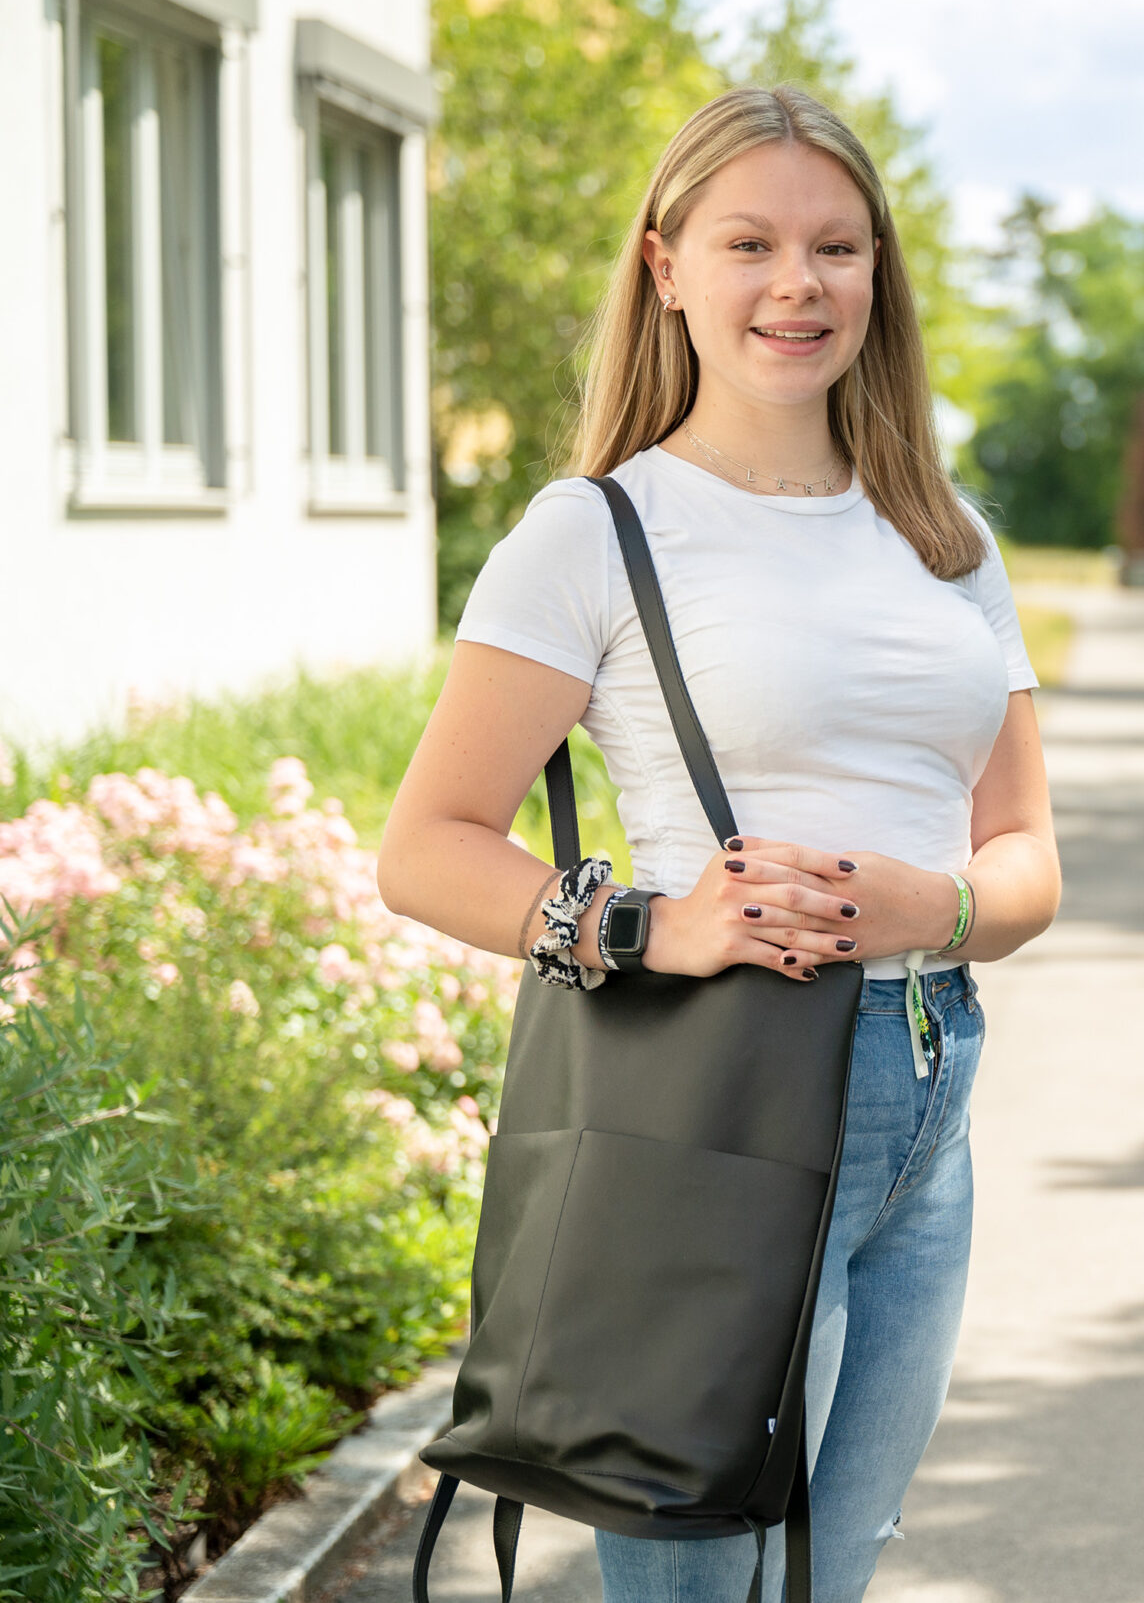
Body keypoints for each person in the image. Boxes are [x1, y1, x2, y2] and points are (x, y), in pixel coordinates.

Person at [379, 85, 1059, 1601]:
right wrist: (648, 923)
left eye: (836, 246)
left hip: (927, 1087)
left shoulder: (950, 536)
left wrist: (930, 902)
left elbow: (1024, 860)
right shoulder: (597, 530)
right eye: (749, 242)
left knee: (833, 1565)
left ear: (879, 275)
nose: (797, 284)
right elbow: (425, 842)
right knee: (702, 1562)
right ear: (667, 266)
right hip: (723, 1093)